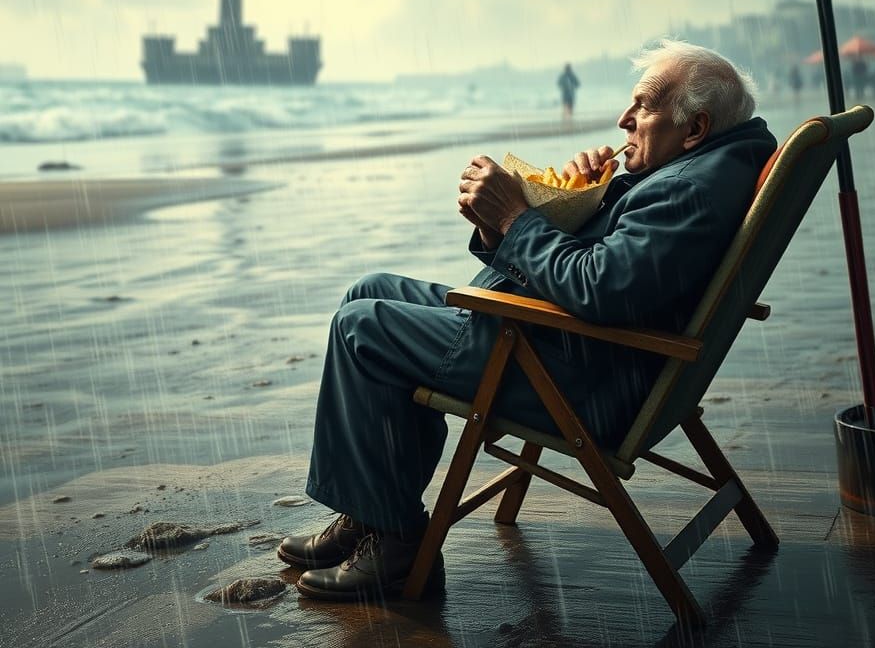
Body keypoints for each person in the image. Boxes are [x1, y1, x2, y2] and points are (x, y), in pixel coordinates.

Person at [277, 40, 776, 602]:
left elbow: (598, 286)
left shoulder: (688, 189)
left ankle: (395, 542)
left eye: (643, 106)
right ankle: (370, 511)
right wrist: (579, 202)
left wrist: (515, 217)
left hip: (572, 373)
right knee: (366, 289)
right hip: (568, 342)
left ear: (695, 127)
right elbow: (620, 264)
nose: (623, 119)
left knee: (359, 329)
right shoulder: (705, 165)